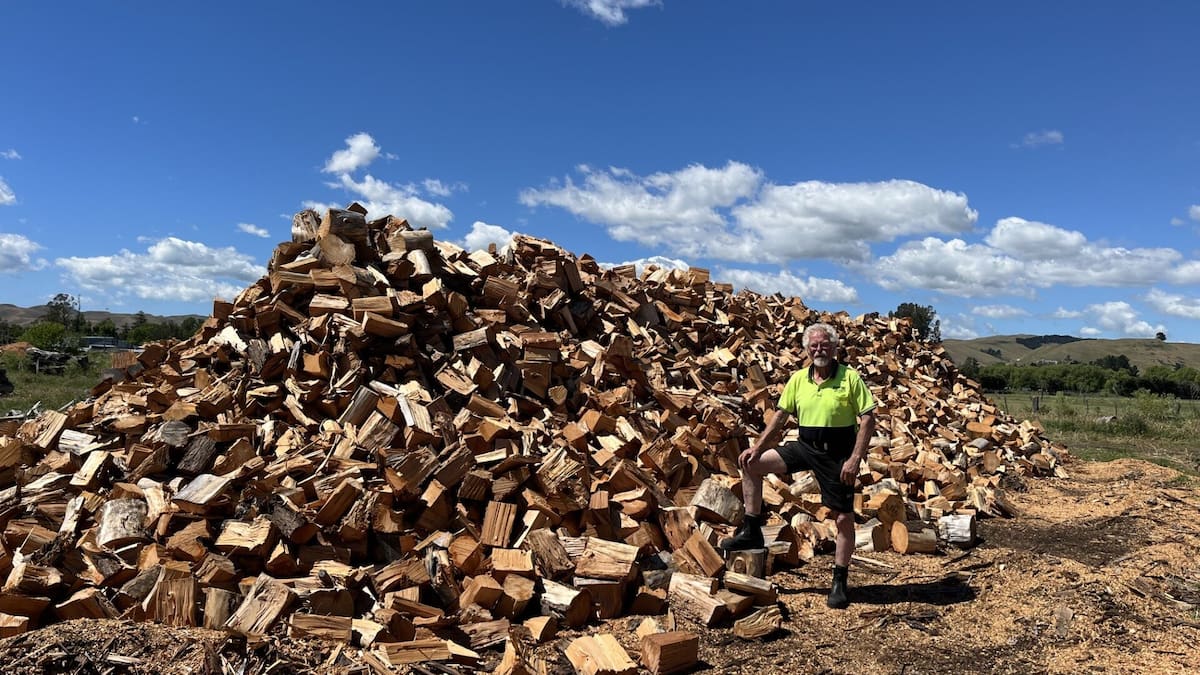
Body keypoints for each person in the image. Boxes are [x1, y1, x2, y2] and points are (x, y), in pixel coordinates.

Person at [720, 322, 877, 609]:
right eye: (814, 345)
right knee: (751, 464)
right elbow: (780, 417)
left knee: (843, 519)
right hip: (805, 446)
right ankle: (751, 529)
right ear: (807, 349)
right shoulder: (798, 380)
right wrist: (758, 447)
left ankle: (840, 581)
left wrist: (855, 459)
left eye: (825, 345)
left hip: (837, 454)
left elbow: (868, 418)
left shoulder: (850, 378)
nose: (820, 350)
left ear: (834, 348)